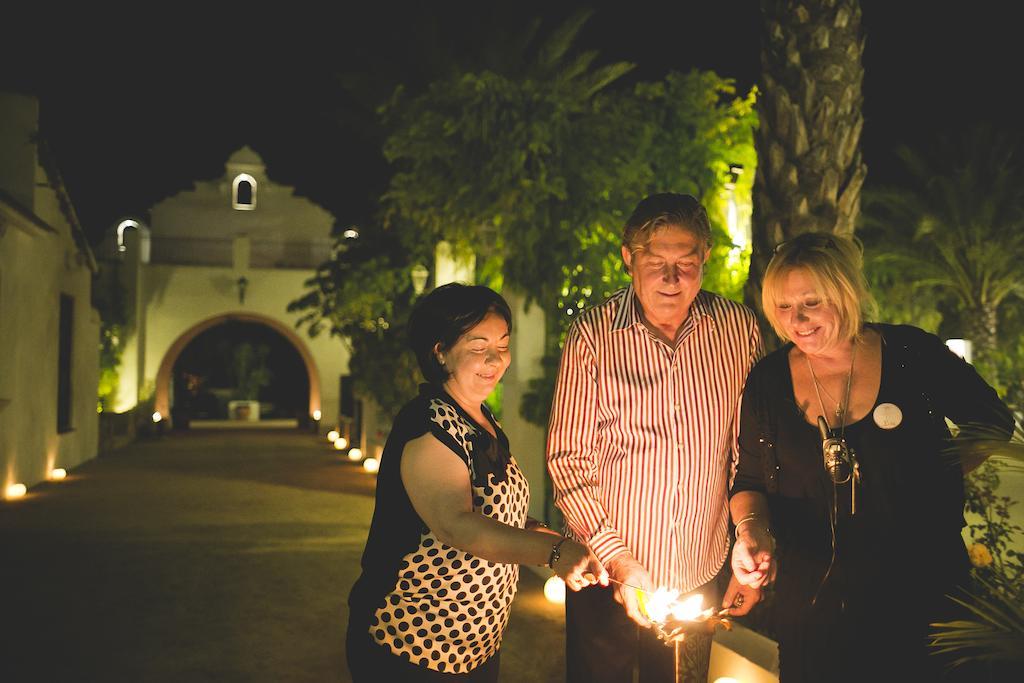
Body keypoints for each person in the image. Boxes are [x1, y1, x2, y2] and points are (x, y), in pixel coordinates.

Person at [729, 232, 1014, 682]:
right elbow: (748, 483)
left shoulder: (912, 353)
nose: (796, 321)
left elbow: (992, 422)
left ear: (845, 293)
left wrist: (937, 475)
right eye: (783, 307)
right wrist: (751, 533)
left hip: (923, 587)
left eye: (811, 303)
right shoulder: (767, 380)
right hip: (813, 606)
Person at [547, 193, 764, 683]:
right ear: (629, 258)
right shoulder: (593, 335)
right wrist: (618, 558)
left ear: (705, 258)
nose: (672, 279)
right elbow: (568, 460)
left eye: (686, 263)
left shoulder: (739, 331)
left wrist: (743, 546)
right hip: (605, 573)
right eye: (657, 262)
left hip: (701, 570)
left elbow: (745, 452)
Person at [346, 283, 606, 682]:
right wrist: (553, 551)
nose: (495, 359)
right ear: (440, 351)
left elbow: (499, 511)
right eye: (477, 345)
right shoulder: (428, 425)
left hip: (475, 646)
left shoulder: (482, 420)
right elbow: (456, 523)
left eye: (502, 345)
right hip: (412, 642)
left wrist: (545, 534)